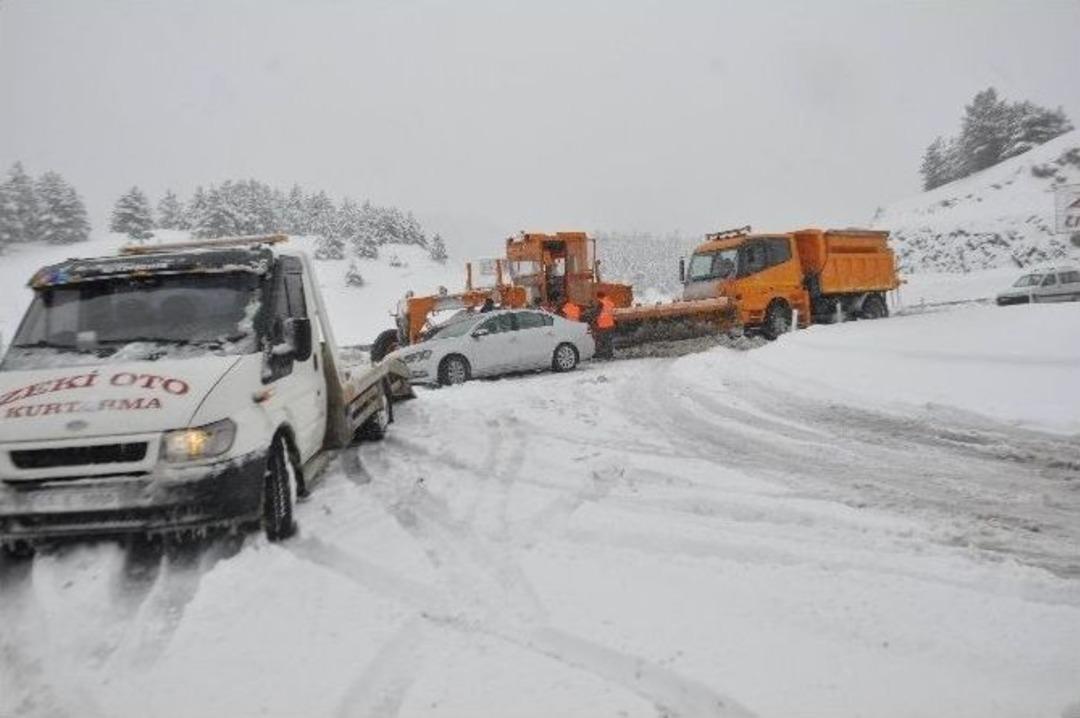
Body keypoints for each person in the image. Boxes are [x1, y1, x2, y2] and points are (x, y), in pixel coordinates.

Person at [594, 290, 615, 359]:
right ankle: (610, 354)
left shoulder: (600, 303)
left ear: (599, 297)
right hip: (610, 324)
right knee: (608, 340)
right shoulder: (610, 303)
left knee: (600, 340)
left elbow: (596, 313)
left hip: (602, 325)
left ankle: (601, 355)